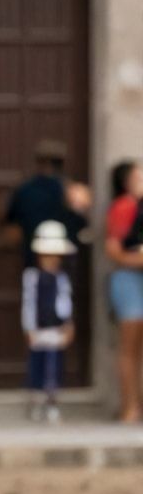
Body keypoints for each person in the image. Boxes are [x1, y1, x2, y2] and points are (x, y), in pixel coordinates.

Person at [3, 138, 91, 268]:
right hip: (63, 257)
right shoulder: (70, 190)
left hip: (33, 255)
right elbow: (82, 223)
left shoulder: (24, 189)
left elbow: (10, 221)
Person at [22, 220, 76, 424]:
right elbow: (29, 304)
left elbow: (65, 303)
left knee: (54, 367)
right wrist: (29, 327)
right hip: (39, 329)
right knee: (37, 366)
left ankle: (52, 402)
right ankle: (36, 401)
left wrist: (68, 324)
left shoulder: (62, 279)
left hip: (56, 329)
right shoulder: (31, 277)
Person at [105, 160, 143, 423]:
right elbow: (114, 251)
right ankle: (129, 407)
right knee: (129, 347)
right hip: (129, 280)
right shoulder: (123, 206)